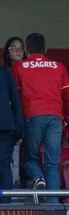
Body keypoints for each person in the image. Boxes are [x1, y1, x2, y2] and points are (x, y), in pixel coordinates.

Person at [12, 33, 69, 203]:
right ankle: (53, 205)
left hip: (32, 116)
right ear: (45, 48)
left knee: (29, 159)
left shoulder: (19, 67)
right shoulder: (58, 66)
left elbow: (15, 97)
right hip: (55, 117)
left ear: (26, 49)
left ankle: (38, 178)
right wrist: (66, 115)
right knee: (52, 163)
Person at [3, 37, 27, 188]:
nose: (18, 50)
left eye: (21, 47)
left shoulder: (30, 70)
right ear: (7, 52)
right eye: (13, 47)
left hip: (28, 114)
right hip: (9, 119)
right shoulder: (5, 73)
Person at [0, 65, 24, 203]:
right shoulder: (5, 72)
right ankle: (5, 211)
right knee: (3, 166)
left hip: (4, 128)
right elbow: (16, 102)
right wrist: (19, 130)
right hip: (4, 127)